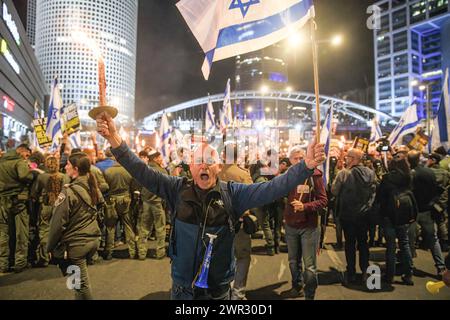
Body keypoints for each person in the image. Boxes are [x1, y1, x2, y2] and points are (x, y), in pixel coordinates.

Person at [96, 111, 325, 300]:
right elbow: (140, 170)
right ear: (190, 167)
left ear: (218, 167)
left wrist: (305, 166)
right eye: (197, 161)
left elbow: (273, 187)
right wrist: (114, 138)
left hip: (219, 289)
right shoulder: (176, 188)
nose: (203, 165)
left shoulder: (233, 194)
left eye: (209, 160)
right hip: (183, 287)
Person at [47, 153, 104, 300]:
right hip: (92, 239)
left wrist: (49, 247)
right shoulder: (94, 187)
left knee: (80, 286)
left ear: (76, 169)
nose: (65, 166)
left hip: (76, 244)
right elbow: (101, 214)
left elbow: (57, 222)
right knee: (78, 284)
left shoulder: (69, 191)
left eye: (68, 165)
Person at [281, 146, 327, 300]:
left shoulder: (315, 175)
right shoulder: (286, 176)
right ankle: (297, 286)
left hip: (309, 227)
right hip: (290, 225)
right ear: (290, 160)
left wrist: (305, 206)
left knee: (310, 267)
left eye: (302, 158)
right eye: (296, 158)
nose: (299, 161)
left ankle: (310, 294)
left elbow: (323, 200)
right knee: (293, 261)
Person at [331, 148, 376, 285]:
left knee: (350, 244)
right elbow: (373, 193)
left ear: (353, 158)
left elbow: (334, 191)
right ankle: (365, 271)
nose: (346, 158)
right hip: (365, 214)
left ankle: (351, 273)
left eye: (348, 156)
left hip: (348, 214)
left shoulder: (343, 174)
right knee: (363, 243)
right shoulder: (371, 173)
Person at [218, 144, 254, 300]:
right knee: (242, 257)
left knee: (220, 257)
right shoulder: (242, 174)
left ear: (223, 155)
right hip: (238, 223)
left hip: (217, 223)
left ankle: (222, 290)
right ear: (238, 156)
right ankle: (238, 293)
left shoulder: (215, 173)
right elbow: (253, 197)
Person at [376, 158, 415, 285]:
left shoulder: (387, 178)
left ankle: (390, 276)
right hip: (404, 215)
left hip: (389, 215)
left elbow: (380, 197)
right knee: (405, 244)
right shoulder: (408, 177)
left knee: (391, 246)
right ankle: (408, 275)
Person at [407, 151, 446, 277]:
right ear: (419, 159)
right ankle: (441, 267)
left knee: (409, 239)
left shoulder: (410, 174)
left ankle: (408, 267)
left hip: (414, 211)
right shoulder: (430, 172)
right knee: (433, 239)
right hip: (427, 210)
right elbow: (435, 189)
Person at [30, 156, 70, 267]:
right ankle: (59, 256)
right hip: (60, 206)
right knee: (59, 230)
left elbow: (34, 193)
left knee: (44, 230)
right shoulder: (65, 177)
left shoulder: (41, 177)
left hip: (46, 206)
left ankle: (45, 257)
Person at [0, 144, 34, 273]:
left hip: (2, 200)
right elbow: (24, 176)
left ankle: (3, 264)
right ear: (21, 151)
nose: (27, 157)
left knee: (3, 233)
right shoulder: (19, 162)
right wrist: (31, 174)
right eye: (27, 154)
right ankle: (20, 263)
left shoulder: (2, 161)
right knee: (21, 232)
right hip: (18, 200)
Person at [102, 154, 135, 260]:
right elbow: (133, 187)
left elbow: (105, 187)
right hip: (126, 200)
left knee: (110, 227)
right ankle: (132, 251)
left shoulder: (107, 171)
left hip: (112, 200)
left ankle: (109, 252)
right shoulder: (128, 171)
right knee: (128, 226)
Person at [137, 150, 168, 260]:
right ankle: (160, 252)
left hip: (146, 203)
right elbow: (166, 188)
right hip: (158, 203)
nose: (161, 159)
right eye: (159, 157)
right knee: (160, 228)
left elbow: (138, 186)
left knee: (144, 228)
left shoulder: (143, 170)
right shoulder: (162, 171)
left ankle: (141, 252)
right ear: (154, 159)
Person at [426, 153, 449, 252]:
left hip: (429, 201)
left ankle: (428, 242)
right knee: (441, 221)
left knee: (428, 223)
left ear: (433, 160)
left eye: (429, 159)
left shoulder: (428, 172)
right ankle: (444, 242)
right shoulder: (446, 173)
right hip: (441, 202)